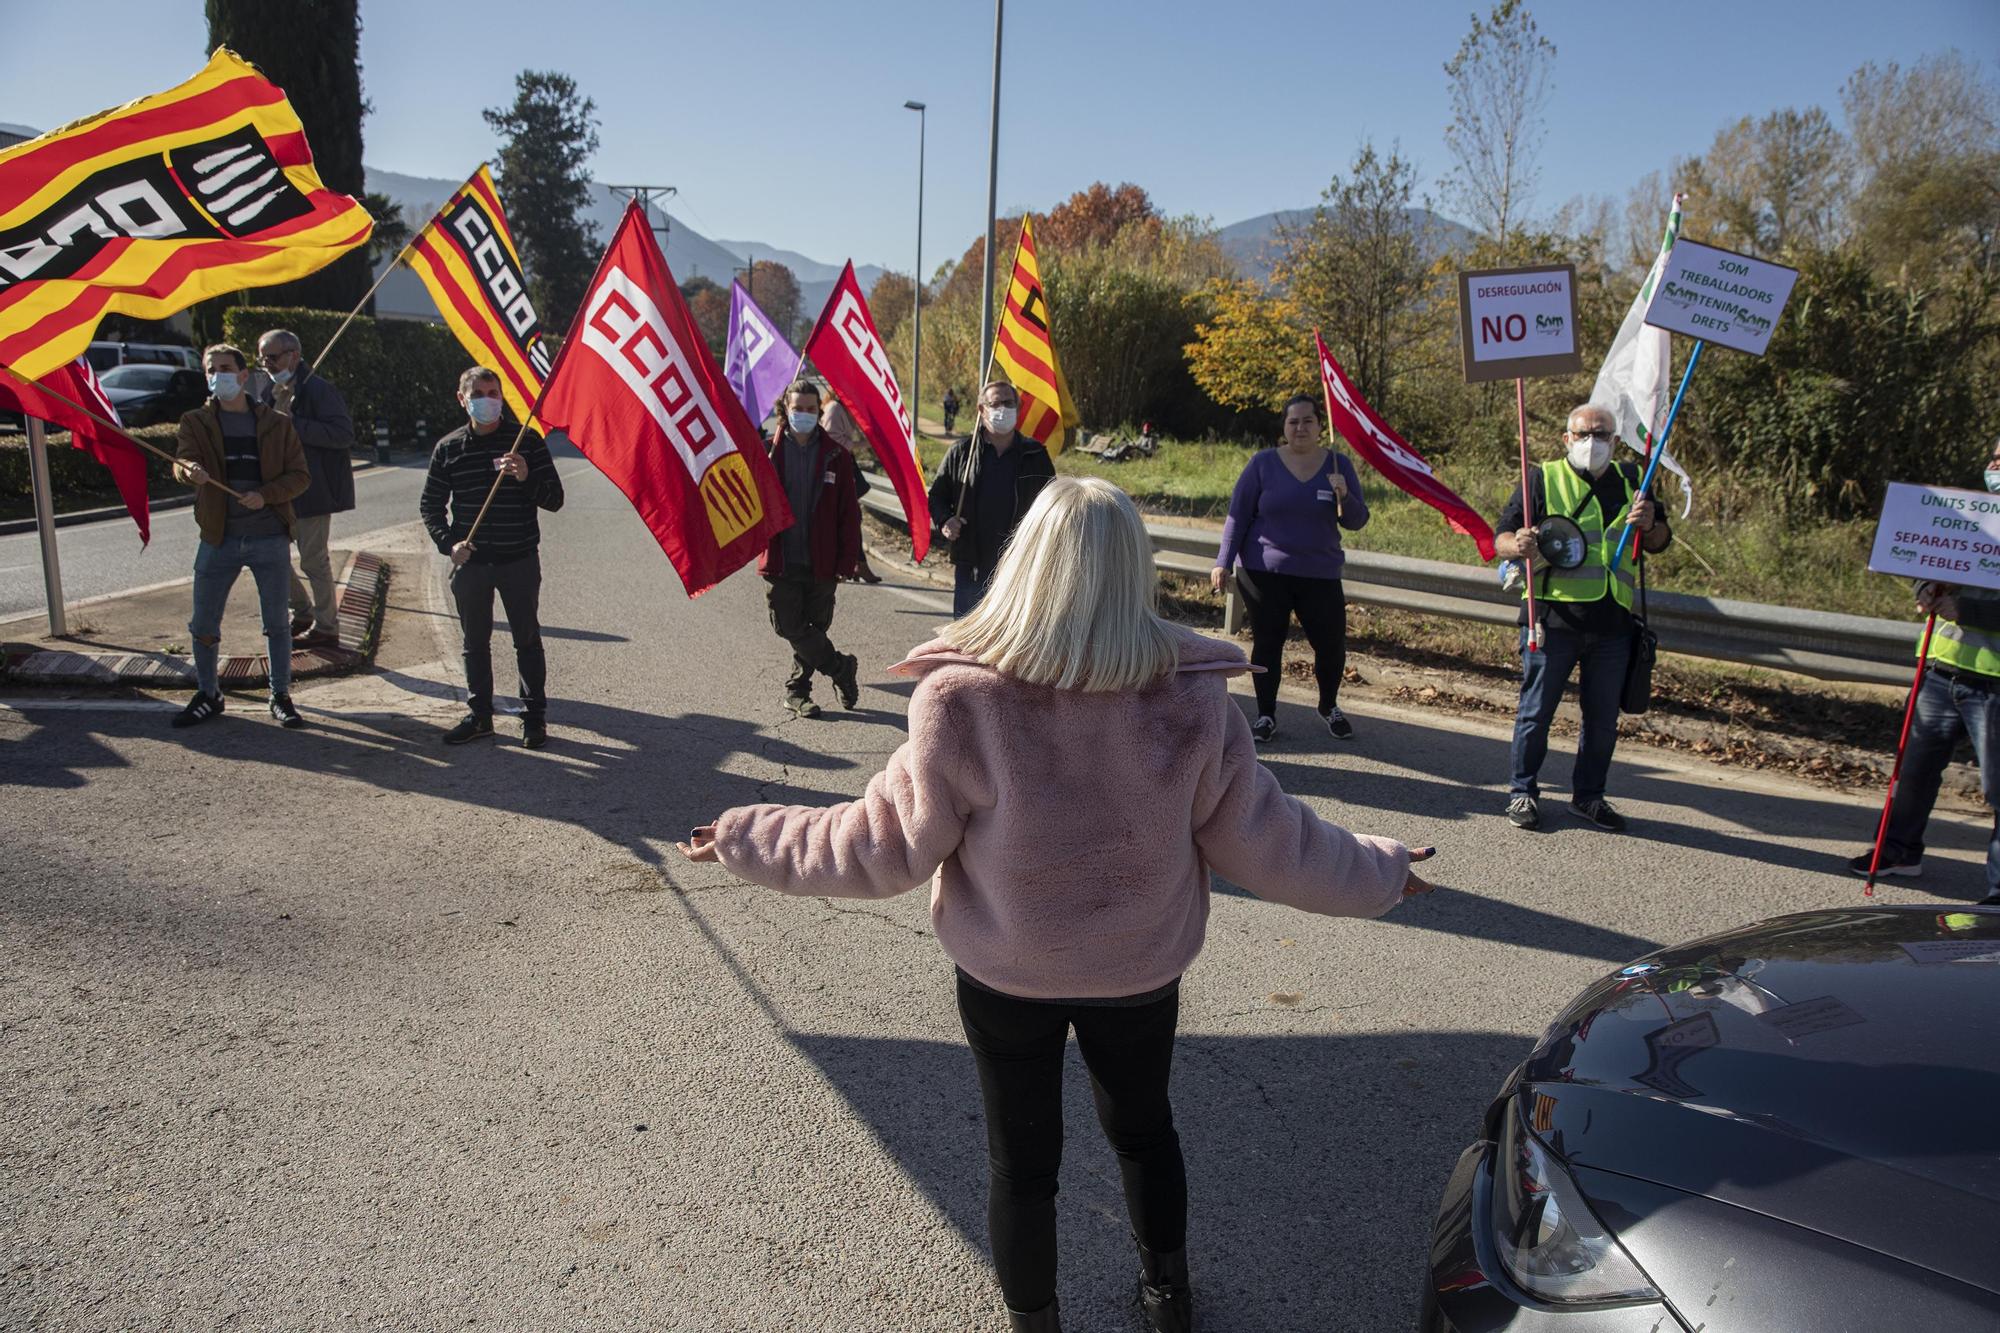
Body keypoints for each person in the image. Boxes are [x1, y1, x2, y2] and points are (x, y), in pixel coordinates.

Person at [677, 477, 1436, 1333]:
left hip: (1007, 975)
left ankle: (1035, 1320)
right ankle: (1168, 1298)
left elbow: (876, 843)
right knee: (1146, 1132)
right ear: (1132, 570)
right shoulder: (1191, 702)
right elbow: (1277, 842)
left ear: (1024, 561)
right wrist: (1380, 869)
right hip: (1139, 972)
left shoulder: (962, 701)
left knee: (1022, 1166)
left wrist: (745, 833)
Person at [1494, 403, 1671, 832]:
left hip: (1612, 624)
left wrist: (1649, 525)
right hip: (1552, 620)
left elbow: (1661, 541)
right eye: (1583, 434)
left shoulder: (1635, 480)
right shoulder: (1540, 478)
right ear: (1566, 438)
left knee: (1602, 721)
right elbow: (1499, 538)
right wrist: (1517, 545)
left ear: (1615, 439)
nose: (1592, 442)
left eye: (1601, 434)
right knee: (1536, 713)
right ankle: (1522, 792)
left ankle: (1589, 798)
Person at [1848, 439, 2000, 906]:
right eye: (1993, 455)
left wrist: (1966, 608)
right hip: (1939, 670)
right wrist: (1925, 589)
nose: (1995, 464)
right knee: (1913, 772)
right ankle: (1898, 851)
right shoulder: (1967, 514)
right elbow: (1924, 557)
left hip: (1993, 684)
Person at [1211, 393, 1370, 743]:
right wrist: (1223, 562)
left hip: (1320, 573)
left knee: (1330, 645)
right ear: (1284, 426)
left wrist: (1345, 496)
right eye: (1293, 421)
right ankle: (1266, 714)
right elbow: (1237, 517)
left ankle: (1329, 706)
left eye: (1307, 420)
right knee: (1268, 644)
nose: (1300, 427)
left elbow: (1357, 521)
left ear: (1319, 425)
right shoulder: (1262, 464)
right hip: (1264, 571)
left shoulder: (1338, 466)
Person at [419, 367, 565, 748]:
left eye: (494, 393)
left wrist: (526, 477)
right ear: (462, 398)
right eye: (480, 393)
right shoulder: (449, 448)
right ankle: (480, 715)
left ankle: (534, 718)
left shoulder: (525, 441)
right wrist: (448, 543)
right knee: (475, 642)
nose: (488, 399)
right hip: (472, 564)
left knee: (527, 639)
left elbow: (554, 499)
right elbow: (431, 506)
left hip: (518, 560)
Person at [170, 343, 312, 730]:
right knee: (202, 623)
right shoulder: (196, 421)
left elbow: (300, 476)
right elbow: (182, 460)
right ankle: (208, 693)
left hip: (269, 537)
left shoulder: (277, 424)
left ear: (245, 375)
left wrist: (265, 495)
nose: (219, 376)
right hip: (219, 537)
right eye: (211, 370)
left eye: (226, 368)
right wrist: (190, 470)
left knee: (277, 624)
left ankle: (280, 695)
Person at [760, 380, 863, 719]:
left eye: (809, 408)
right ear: (784, 411)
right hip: (782, 558)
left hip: (823, 560)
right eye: (796, 408)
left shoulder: (837, 456)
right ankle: (840, 669)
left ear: (818, 411)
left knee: (814, 628)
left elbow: (849, 513)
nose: (802, 414)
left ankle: (797, 691)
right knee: (788, 625)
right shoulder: (766, 453)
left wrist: (849, 560)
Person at [255, 329, 356, 649]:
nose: (266, 363)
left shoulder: (318, 390)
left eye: (272, 357)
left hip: (311, 491)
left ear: (294, 355)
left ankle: (327, 627)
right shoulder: (270, 391)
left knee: (313, 561)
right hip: (276, 490)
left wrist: (295, 425)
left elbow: (342, 434)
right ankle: (301, 612)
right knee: (269, 557)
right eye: (262, 358)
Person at [928, 380, 1056, 615]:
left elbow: (1055, 503)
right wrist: (946, 520)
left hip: (1020, 566)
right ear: (981, 409)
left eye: (1008, 403)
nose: (1002, 409)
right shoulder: (961, 453)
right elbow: (937, 495)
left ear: (1017, 407)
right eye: (995, 403)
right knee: (967, 643)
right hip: (972, 564)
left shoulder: (1035, 455)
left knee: (1012, 643)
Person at [819, 396, 884, 584]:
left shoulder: (842, 409)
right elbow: (832, 440)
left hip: (844, 465)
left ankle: (855, 564)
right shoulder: (834, 409)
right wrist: (865, 444)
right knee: (850, 516)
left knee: (851, 517)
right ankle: (856, 564)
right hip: (836, 468)